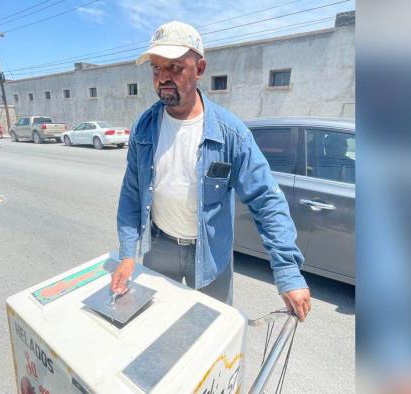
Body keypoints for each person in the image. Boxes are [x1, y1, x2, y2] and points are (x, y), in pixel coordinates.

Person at [111, 21, 311, 321]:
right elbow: (132, 192)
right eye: (156, 68)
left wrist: (288, 272)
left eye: (175, 67)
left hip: (211, 256)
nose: (163, 77)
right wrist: (128, 253)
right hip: (159, 248)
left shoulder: (232, 134)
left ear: (200, 68)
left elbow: (266, 200)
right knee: (154, 326)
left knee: (208, 333)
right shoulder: (144, 127)